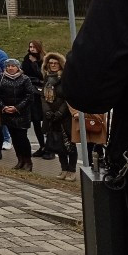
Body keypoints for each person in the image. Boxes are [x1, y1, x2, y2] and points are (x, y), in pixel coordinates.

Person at [0, 58, 36, 170]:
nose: (10, 68)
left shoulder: (25, 79)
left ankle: (28, 162)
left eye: (13, 66)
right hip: (7, 112)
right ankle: (20, 160)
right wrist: (3, 107)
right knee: (15, 138)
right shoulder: (0, 78)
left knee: (22, 138)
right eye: (8, 66)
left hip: (22, 114)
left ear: (18, 67)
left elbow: (29, 96)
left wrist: (16, 108)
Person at [40, 52, 76, 180]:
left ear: (60, 64)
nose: (53, 65)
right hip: (51, 116)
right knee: (58, 144)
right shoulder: (47, 78)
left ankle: (72, 170)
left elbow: (68, 97)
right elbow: (43, 97)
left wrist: (61, 112)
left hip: (65, 116)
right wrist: (47, 111)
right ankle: (63, 168)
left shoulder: (65, 78)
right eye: (50, 63)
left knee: (70, 144)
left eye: (55, 63)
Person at [22, 40, 52, 159]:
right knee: (35, 121)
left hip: (43, 93)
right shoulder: (26, 59)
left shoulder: (44, 60)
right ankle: (42, 146)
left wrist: (35, 65)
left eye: (34, 47)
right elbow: (25, 74)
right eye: (30, 47)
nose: (32, 49)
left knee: (47, 121)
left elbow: (43, 75)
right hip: (32, 93)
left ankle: (50, 148)